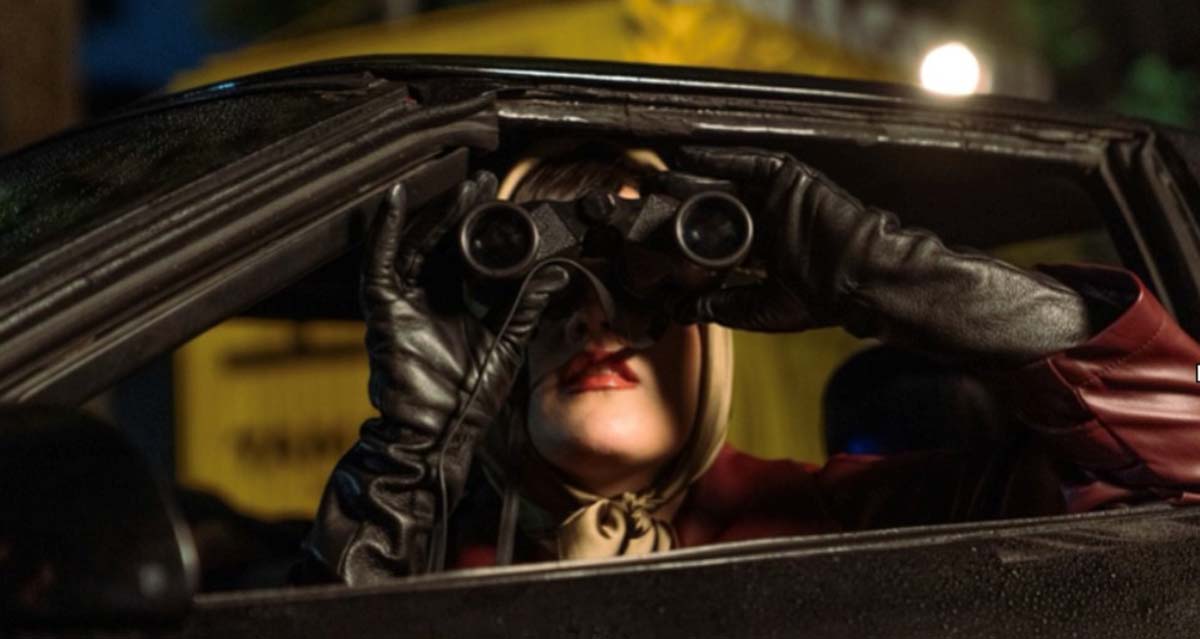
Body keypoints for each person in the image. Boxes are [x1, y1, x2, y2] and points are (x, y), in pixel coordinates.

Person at [299, 143, 1200, 585]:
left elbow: (1180, 479)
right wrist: (407, 460)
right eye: (547, 287)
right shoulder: (419, 558)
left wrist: (894, 280)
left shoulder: (859, 526)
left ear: (710, 327)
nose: (594, 315)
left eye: (645, 284)